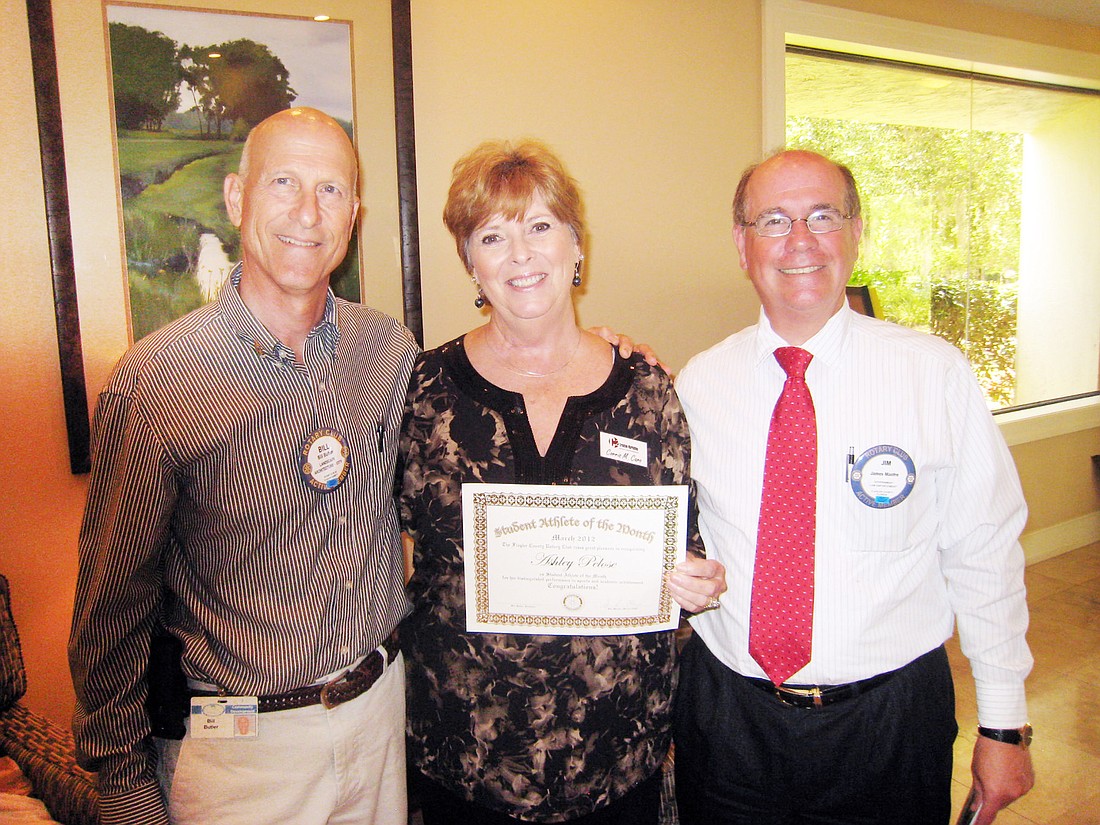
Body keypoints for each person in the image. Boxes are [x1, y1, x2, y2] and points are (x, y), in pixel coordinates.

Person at [68, 107, 418, 825]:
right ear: (235, 197)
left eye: (330, 190)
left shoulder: (389, 352)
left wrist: (574, 351)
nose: (306, 212)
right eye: (283, 181)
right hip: (241, 753)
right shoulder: (157, 382)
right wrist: (123, 780)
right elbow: (113, 601)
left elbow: (469, 440)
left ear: (354, 214)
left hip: (380, 721)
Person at [673, 149, 1034, 825]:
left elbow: (985, 550)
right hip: (729, 724)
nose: (800, 240)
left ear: (856, 231)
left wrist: (1005, 724)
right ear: (741, 244)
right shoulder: (697, 384)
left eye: (823, 216)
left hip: (890, 726)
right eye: (774, 219)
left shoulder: (934, 374)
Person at [397, 139, 726, 825]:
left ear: (577, 247)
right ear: (471, 263)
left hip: (617, 760)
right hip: (466, 765)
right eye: (493, 235)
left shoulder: (648, 389)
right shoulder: (422, 391)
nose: (521, 255)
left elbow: (683, 545)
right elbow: (385, 553)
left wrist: (696, 581)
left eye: (540, 226)